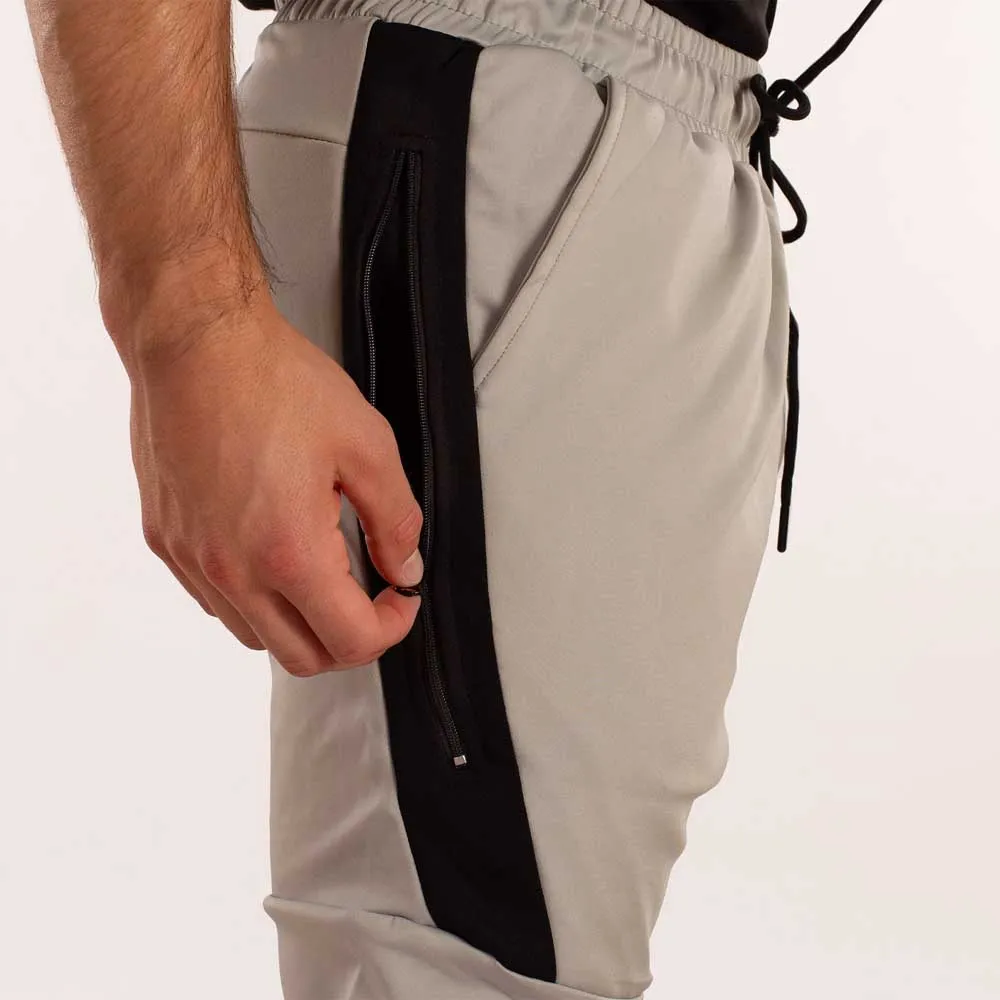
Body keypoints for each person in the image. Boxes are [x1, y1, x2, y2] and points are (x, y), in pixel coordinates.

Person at [24, 0, 882, 997]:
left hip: (667, 130)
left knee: (528, 950)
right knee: (459, 952)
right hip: (493, 113)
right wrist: (191, 318)